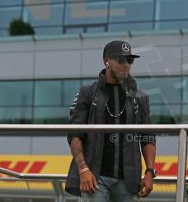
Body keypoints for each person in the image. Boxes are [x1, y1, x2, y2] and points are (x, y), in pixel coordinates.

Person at [65, 40, 156, 202]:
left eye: (130, 60)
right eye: (121, 60)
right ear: (106, 61)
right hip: (95, 177)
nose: (126, 64)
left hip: (129, 180)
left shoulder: (140, 97)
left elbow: (148, 136)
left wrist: (150, 172)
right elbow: (74, 134)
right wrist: (83, 169)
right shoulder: (87, 93)